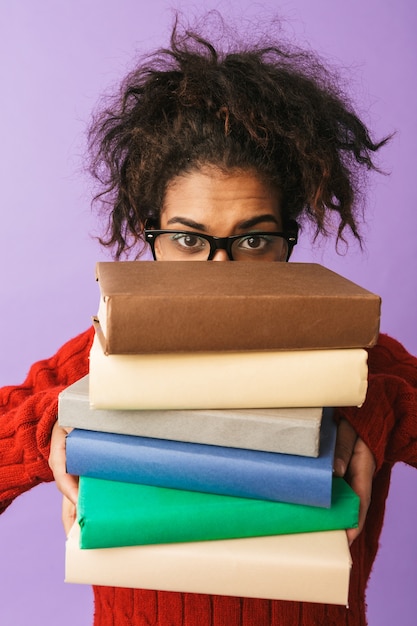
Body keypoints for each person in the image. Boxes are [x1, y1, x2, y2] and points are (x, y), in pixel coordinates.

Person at [1, 16, 417, 626]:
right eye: (188, 239)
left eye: (252, 241)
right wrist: (55, 427)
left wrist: (372, 406)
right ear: (151, 238)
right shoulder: (100, 357)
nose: (219, 272)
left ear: (288, 242)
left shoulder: (359, 357)